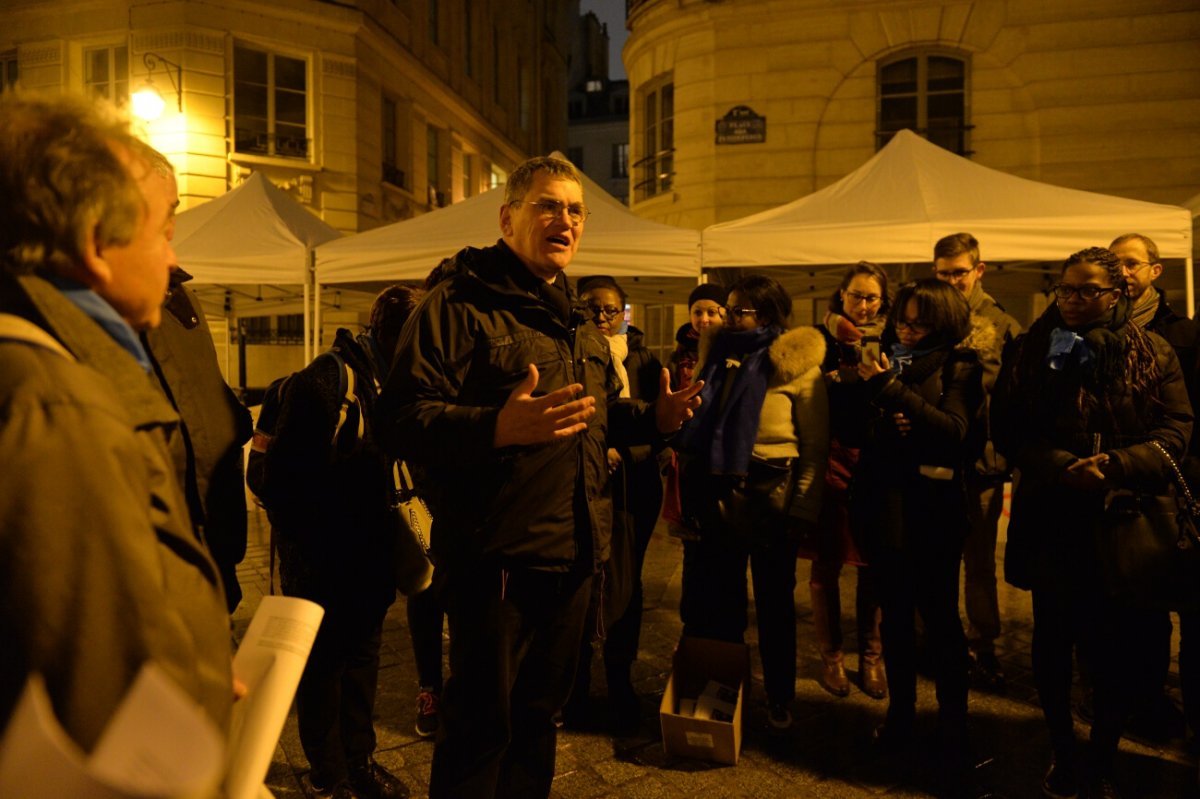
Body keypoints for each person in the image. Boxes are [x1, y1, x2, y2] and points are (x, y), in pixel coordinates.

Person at [375, 156, 702, 799]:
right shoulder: (457, 305)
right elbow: (400, 419)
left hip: (574, 553)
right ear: (508, 218)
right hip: (495, 556)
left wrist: (654, 418)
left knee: (539, 721)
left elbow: (594, 415)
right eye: (548, 206)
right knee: (478, 727)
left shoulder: (577, 316)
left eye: (576, 210)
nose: (566, 221)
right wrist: (496, 426)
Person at [0, 93, 232, 750]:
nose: (173, 258)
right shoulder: (59, 401)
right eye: (164, 230)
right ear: (98, 243)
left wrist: (196, 677)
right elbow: (101, 711)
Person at [993, 247, 1192, 799]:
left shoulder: (1152, 352)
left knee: (1114, 649)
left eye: (1088, 291)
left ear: (1118, 293)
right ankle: (1062, 747)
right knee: (1053, 642)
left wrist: (1119, 465)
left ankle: (1102, 754)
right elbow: (1008, 427)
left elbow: (1176, 427)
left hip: (1122, 517)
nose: (1074, 301)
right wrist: (1060, 466)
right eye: (1066, 290)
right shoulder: (1034, 349)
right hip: (1054, 513)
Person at [263, 286, 418, 799]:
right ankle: (328, 773)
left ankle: (360, 760)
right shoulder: (327, 381)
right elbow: (284, 483)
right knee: (325, 666)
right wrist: (317, 545)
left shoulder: (389, 380)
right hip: (323, 561)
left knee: (363, 661)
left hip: (369, 557)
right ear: (389, 333)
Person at [675, 274, 830, 731]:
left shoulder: (797, 364)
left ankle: (780, 694)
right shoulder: (717, 353)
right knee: (719, 603)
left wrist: (803, 507)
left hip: (772, 494)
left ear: (763, 315)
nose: (724, 318)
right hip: (718, 490)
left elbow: (815, 446)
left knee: (775, 603)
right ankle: (722, 696)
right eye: (727, 310)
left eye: (735, 311)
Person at [854, 279, 990, 795]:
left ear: (944, 322)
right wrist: (884, 417)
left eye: (919, 322)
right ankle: (902, 715)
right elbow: (863, 428)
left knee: (939, 615)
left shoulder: (960, 365)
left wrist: (893, 396)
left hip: (933, 509)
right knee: (893, 614)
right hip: (883, 504)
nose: (907, 330)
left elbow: (955, 430)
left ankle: (954, 724)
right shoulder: (887, 357)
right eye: (902, 321)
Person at [1110, 232, 1199, 741]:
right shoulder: (1092, 330)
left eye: (1132, 263)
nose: (1122, 271)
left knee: (1181, 603)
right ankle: (1145, 703)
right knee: (1137, 610)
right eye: (1115, 262)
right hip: (1124, 486)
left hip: (1175, 483)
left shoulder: (1181, 334)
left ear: (1154, 271)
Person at [565, 274, 664, 732]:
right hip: (585, 490)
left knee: (628, 587)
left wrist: (623, 449)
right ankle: (576, 683)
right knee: (584, 587)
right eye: (593, 308)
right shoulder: (572, 353)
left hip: (633, 492)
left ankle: (620, 681)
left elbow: (660, 430)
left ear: (625, 314)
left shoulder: (643, 359)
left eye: (611, 310)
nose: (602, 317)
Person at [932, 232, 1022, 690]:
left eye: (960, 272)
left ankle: (982, 643)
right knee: (932, 555)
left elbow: (1016, 396)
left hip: (981, 462)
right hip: (933, 457)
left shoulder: (1002, 324)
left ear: (979, 270)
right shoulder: (929, 313)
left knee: (979, 561)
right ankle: (938, 637)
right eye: (944, 273)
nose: (952, 281)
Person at [143, 264, 253, 613]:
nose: (170, 248)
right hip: (162, 558)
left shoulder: (180, 295)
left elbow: (209, 402)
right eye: (161, 220)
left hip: (213, 537)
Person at [806, 262, 890, 700]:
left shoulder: (891, 341)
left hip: (876, 463)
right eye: (855, 295)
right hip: (830, 458)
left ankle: (872, 659)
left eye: (871, 297)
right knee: (827, 563)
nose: (861, 305)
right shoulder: (817, 341)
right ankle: (832, 657)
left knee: (872, 565)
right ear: (841, 296)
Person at [668, 283, 727, 389]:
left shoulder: (732, 350)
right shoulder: (677, 357)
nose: (704, 319)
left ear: (724, 315)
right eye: (698, 312)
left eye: (711, 312)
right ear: (690, 315)